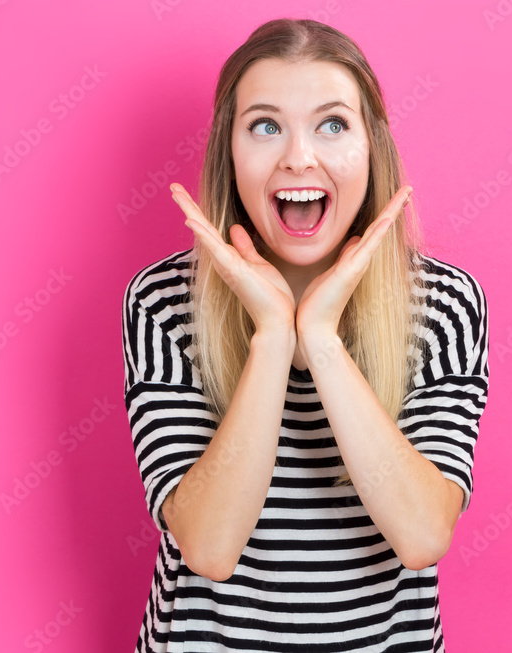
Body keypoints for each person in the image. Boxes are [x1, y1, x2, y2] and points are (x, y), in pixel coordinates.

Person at [121, 18, 490, 652]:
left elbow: (423, 534)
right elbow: (208, 546)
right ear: (229, 152)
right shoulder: (160, 302)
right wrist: (271, 335)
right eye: (265, 125)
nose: (298, 156)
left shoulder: (445, 304)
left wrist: (319, 337)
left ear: (371, 147)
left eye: (333, 124)